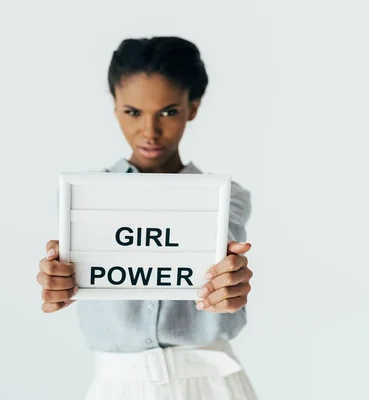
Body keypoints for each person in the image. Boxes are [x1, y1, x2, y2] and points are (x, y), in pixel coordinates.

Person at [36, 36, 256, 400]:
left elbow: (225, 281)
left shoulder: (227, 199)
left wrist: (231, 288)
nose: (150, 132)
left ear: (193, 107)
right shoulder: (82, 199)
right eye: (133, 112)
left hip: (210, 387)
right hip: (117, 387)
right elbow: (75, 279)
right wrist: (57, 283)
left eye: (168, 112)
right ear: (115, 108)